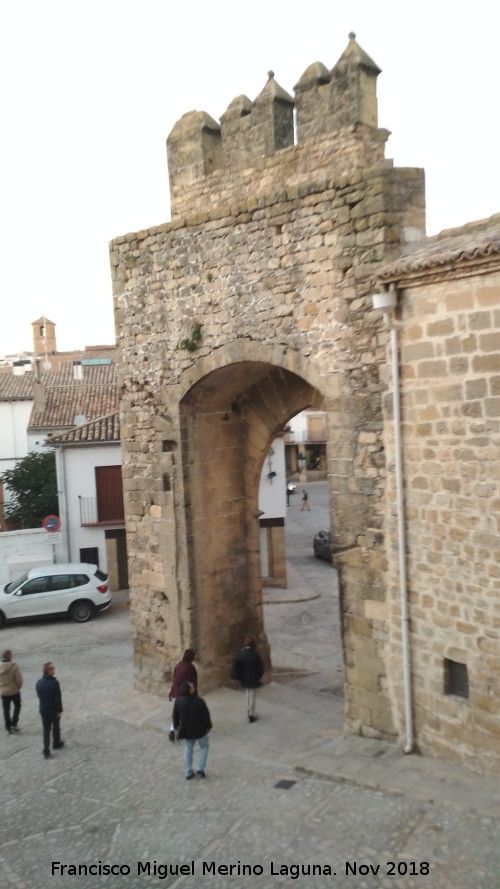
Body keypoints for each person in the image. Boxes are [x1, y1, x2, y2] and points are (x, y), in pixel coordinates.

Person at [172, 681, 212, 779]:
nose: (193, 687)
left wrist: (176, 727)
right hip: (199, 729)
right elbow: (205, 716)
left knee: (188, 748)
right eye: (192, 687)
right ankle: (200, 769)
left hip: (186, 730)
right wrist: (208, 726)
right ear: (190, 691)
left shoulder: (178, 701)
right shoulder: (199, 701)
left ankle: (188, 771)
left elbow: (175, 716)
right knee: (204, 746)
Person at [230, 634, 264, 723]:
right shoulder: (255, 655)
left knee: (247, 694)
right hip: (253, 678)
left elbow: (236, 665)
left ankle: (248, 710)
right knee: (252, 695)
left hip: (244, 678)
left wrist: (239, 676)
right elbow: (260, 668)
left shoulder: (241, 654)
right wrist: (258, 676)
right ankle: (251, 714)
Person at [36, 661, 64, 758]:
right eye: (52, 668)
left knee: (46, 729)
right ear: (48, 671)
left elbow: (39, 696)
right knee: (56, 727)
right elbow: (57, 699)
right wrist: (59, 710)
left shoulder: (39, 682)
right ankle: (56, 743)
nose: (54, 669)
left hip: (43, 709)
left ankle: (46, 750)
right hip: (53, 710)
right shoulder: (54, 683)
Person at [168, 649, 197, 742]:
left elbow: (175, 677)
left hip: (176, 691)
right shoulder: (189, 668)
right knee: (185, 713)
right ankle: (183, 730)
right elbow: (192, 683)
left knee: (176, 713)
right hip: (184, 694)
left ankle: (172, 730)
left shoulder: (179, 665)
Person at [0, 649, 23, 734]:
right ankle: (14, 722)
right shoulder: (14, 666)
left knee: (6, 709)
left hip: (3, 692)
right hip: (14, 691)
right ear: (10, 656)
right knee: (17, 706)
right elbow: (19, 679)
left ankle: (8, 726)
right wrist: (18, 687)